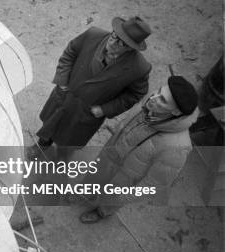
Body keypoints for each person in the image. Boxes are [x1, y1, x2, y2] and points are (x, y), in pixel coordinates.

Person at [26, 16, 152, 160]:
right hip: (65, 95)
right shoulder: (93, 35)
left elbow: (135, 94)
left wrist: (105, 109)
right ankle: (42, 145)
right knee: (50, 124)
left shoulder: (139, 68)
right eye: (114, 36)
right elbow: (71, 51)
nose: (114, 43)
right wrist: (62, 80)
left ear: (131, 49)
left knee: (70, 139)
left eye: (122, 44)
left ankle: (62, 158)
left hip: (87, 112)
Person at [79, 75, 199, 223]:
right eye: (160, 92)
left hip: (126, 178)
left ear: (175, 112)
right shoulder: (152, 103)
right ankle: (85, 193)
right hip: (111, 154)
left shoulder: (178, 148)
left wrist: (125, 197)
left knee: (111, 197)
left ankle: (102, 212)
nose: (154, 97)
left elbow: (155, 183)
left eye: (163, 100)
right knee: (95, 175)